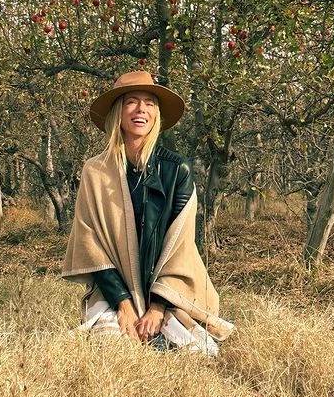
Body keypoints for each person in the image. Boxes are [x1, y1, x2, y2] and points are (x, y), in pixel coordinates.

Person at [62, 70, 234, 356]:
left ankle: (164, 329)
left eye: (149, 103)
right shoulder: (96, 170)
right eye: (131, 102)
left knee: (199, 354)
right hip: (115, 291)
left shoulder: (178, 169)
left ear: (156, 115)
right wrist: (123, 303)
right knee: (112, 351)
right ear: (118, 112)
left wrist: (156, 307)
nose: (141, 109)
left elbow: (179, 245)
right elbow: (90, 244)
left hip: (166, 291)